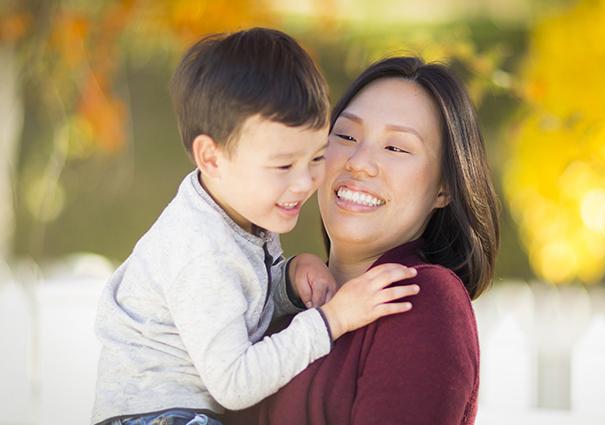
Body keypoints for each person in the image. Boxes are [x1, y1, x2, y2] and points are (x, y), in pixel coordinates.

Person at [91, 29, 420, 425]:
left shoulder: (238, 211)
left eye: (316, 157)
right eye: (283, 165)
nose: (304, 182)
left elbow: (239, 299)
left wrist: (288, 279)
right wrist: (333, 320)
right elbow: (235, 381)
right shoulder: (202, 251)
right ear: (212, 158)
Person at [225, 56, 500, 425]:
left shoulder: (419, 298)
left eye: (396, 148)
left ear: (443, 189)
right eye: (346, 136)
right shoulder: (278, 300)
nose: (359, 162)